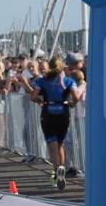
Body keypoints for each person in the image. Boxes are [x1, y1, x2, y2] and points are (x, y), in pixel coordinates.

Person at [30, 56, 76, 190]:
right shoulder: (68, 81)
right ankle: (61, 170)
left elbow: (33, 96)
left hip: (48, 113)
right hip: (63, 113)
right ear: (62, 67)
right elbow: (76, 97)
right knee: (60, 145)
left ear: (49, 67)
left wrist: (39, 100)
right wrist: (72, 103)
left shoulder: (42, 81)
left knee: (52, 146)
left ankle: (57, 174)